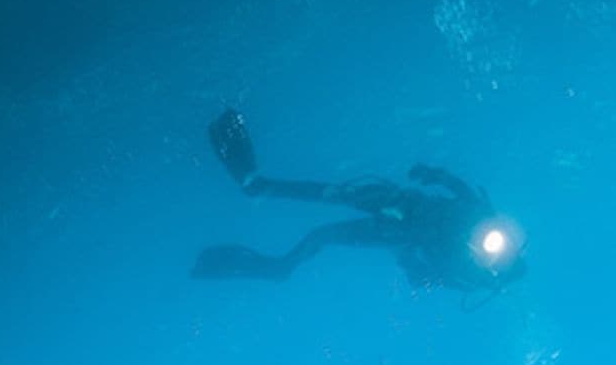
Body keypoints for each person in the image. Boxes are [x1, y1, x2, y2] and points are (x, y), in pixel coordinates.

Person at [193, 108, 527, 304]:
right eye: (503, 249)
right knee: (336, 192)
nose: (493, 250)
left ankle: (280, 268)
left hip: (395, 232)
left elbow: (421, 274)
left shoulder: (461, 269)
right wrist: (433, 173)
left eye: (495, 260)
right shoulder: (484, 218)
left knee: (320, 234)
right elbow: (463, 189)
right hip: (403, 201)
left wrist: (413, 264)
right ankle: (257, 186)